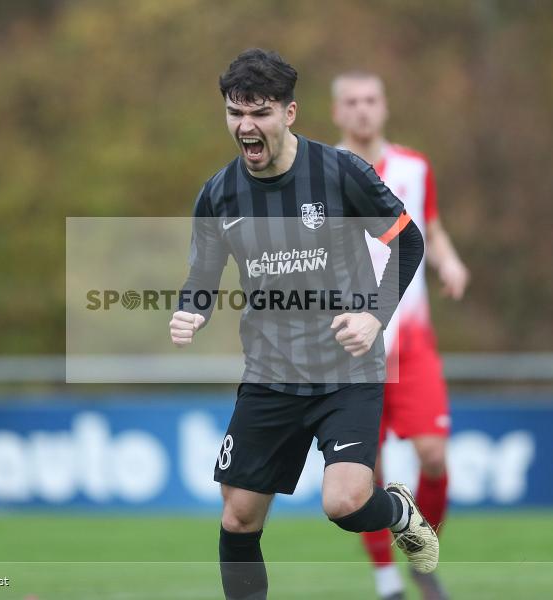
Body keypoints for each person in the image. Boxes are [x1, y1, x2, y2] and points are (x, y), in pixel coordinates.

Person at [169, 49, 438, 600]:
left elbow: (409, 241)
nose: (246, 126)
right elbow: (203, 270)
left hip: (348, 367)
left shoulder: (340, 174)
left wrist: (375, 317)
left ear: (289, 113)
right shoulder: (218, 194)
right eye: (235, 113)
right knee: (238, 517)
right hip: (270, 371)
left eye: (260, 112)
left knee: (344, 504)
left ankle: (398, 510)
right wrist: (192, 307)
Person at [332, 71, 470, 600]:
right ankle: (386, 579)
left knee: (434, 457)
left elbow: (429, 229)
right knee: (364, 472)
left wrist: (449, 261)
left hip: (411, 343)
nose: (363, 110)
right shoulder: (324, 173)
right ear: (337, 111)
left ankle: (422, 555)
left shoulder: (415, 167)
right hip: (352, 346)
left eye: (371, 100)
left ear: (384, 106)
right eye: (352, 102)